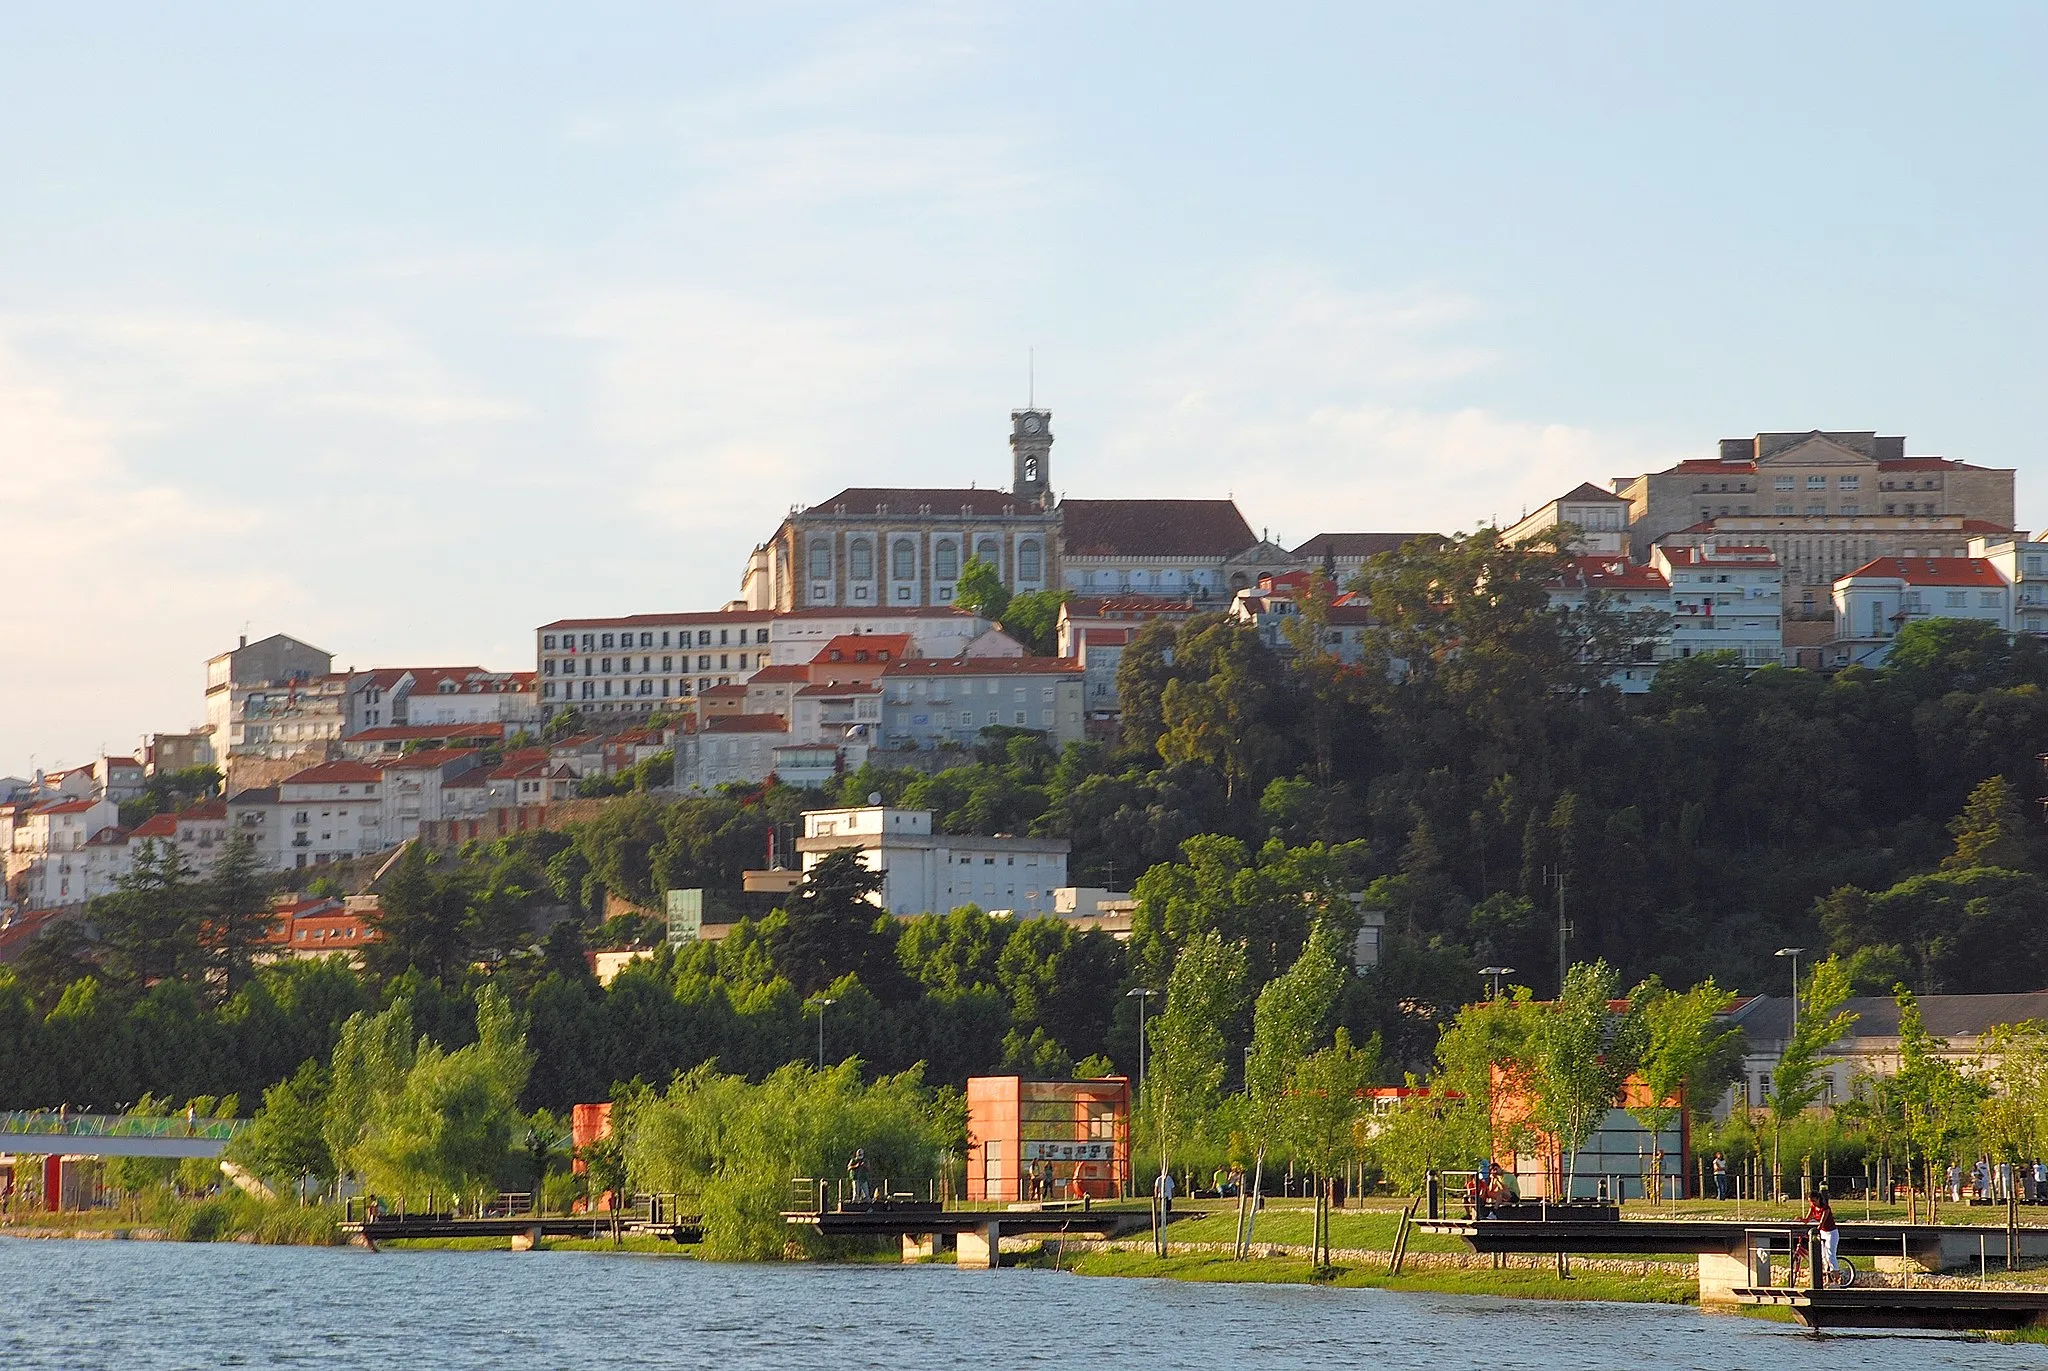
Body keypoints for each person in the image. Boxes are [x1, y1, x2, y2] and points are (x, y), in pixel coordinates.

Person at [1804, 1187, 1839, 1282]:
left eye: (1814, 1201)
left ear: (1818, 1199)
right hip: (1823, 1233)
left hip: (1831, 1232)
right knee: (1823, 1256)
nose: (1812, 1203)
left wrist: (1815, 1231)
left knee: (1830, 1255)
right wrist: (1800, 1219)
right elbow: (1807, 1219)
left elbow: (1822, 1223)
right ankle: (1828, 1279)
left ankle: (1836, 1277)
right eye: (1811, 1201)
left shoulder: (1825, 1208)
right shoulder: (1812, 1208)